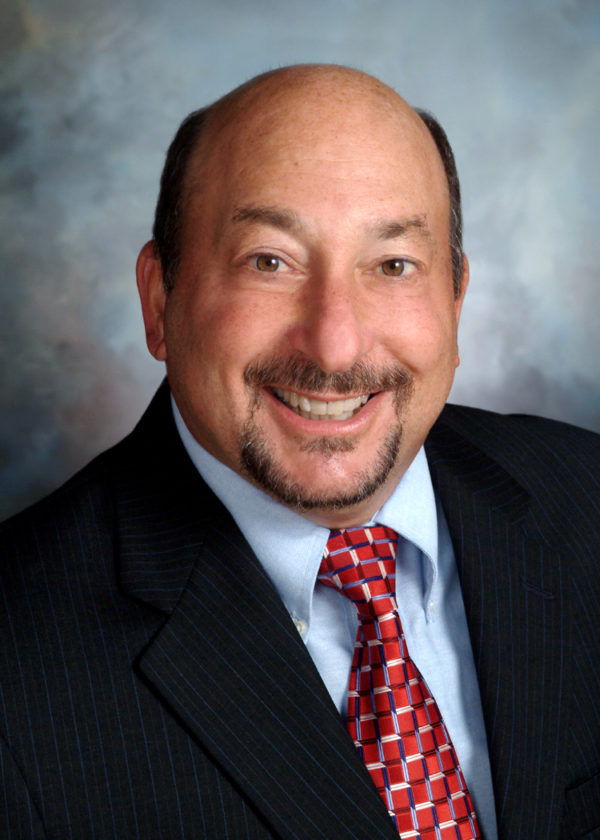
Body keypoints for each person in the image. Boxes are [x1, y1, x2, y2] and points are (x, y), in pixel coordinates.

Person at [0, 64, 598, 840]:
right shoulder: (18, 664)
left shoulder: (586, 501)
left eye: (392, 265)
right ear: (159, 303)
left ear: (454, 302)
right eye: (269, 261)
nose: (335, 343)